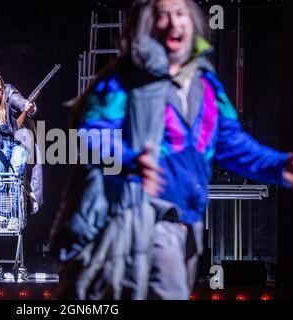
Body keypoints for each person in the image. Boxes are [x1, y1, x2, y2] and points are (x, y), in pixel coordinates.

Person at [50, 0, 293, 300]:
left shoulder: (206, 85)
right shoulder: (126, 79)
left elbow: (231, 142)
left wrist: (279, 166)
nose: (173, 22)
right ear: (148, 26)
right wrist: (130, 159)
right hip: (144, 216)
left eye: (180, 14)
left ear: (193, 23)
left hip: (189, 223)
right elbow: (93, 131)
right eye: (162, 15)